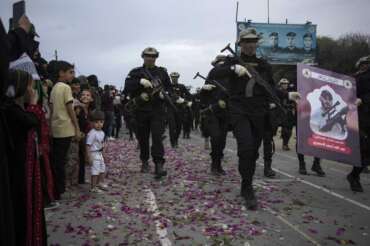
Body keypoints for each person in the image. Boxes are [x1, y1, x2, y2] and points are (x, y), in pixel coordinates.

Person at [209, 28, 300, 209]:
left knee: (254, 151)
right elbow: (214, 75)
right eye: (246, 41)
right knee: (246, 147)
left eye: (253, 41)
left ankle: (247, 180)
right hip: (239, 111)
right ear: (240, 44)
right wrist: (233, 68)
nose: (250, 44)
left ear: (256, 43)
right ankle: (247, 186)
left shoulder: (264, 65)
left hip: (259, 113)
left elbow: (269, 88)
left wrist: (287, 95)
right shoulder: (231, 61)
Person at [124, 47, 172, 179]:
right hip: (141, 110)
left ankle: (158, 164)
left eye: (153, 56)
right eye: (148, 56)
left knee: (157, 137)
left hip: (157, 110)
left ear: (156, 57)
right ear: (143, 57)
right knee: (143, 138)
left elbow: (169, 88)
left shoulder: (162, 72)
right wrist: (139, 82)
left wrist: (165, 95)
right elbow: (127, 86)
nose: (150, 58)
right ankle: (144, 161)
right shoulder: (136, 72)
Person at [50, 60, 81, 200]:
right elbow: (70, 109)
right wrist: (77, 127)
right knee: (64, 161)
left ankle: (57, 189)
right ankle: (61, 190)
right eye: (70, 72)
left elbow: (51, 110)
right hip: (66, 128)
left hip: (56, 127)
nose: (72, 75)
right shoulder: (66, 88)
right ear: (61, 73)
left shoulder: (55, 88)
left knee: (57, 160)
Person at [201, 54, 230, 175]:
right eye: (219, 62)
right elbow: (203, 97)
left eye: (223, 62)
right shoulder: (212, 74)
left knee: (222, 140)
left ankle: (218, 164)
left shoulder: (231, 76)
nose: (221, 64)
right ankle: (214, 164)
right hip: (213, 112)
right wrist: (204, 89)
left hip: (226, 112)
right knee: (216, 137)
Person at [347, 55, 370, 192]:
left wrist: (363, 99)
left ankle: (354, 175)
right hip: (359, 117)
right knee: (364, 147)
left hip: (365, 112)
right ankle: (354, 176)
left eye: (367, 64)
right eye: (363, 64)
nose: (365, 66)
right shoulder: (354, 78)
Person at [168, 72, 192, 147]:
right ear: (171, 78)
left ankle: (176, 139)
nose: (174, 78)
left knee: (178, 126)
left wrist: (185, 101)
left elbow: (189, 95)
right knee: (172, 126)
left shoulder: (182, 86)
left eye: (176, 77)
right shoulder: (168, 86)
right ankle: (172, 142)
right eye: (173, 77)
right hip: (170, 108)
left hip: (180, 109)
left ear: (178, 78)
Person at [86, 110, 107, 193]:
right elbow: (88, 145)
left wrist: (103, 152)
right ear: (92, 123)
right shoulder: (92, 133)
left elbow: (102, 143)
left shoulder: (102, 132)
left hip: (99, 153)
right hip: (94, 154)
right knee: (95, 171)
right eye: (96, 122)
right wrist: (89, 156)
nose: (99, 124)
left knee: (102, 169)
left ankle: (100, 183)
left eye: (101, 122)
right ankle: (93, 187)